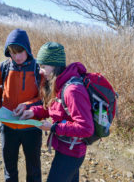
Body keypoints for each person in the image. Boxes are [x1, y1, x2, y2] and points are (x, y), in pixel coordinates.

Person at [18, 42, 94, 182]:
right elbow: (54, 109)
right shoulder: (59, 83)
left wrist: (53, 127)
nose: (40, 71)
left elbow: (86, 128)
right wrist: (33, 112)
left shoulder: (72, 91)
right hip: (64, 147)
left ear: (55, 65)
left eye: (43, 66)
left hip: (72, 153)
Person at [0, 28, 42, 182]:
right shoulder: (3, 67)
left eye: (20, 52)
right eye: (12, 52)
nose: (17, 57)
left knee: (34, 170)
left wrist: (27, 105)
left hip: (31, 127)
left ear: (27, 49)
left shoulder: (38, 69)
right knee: (9, 169)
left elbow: (45, 98)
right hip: (8, 127)